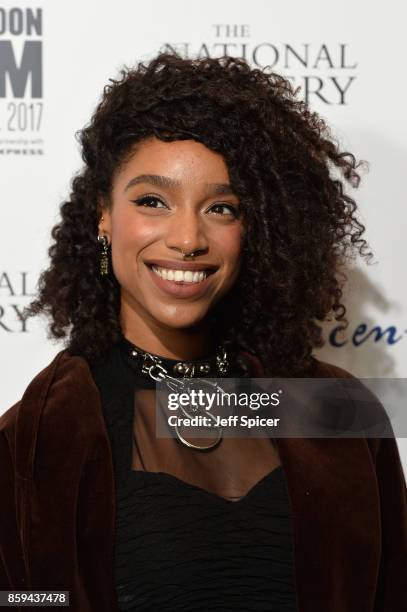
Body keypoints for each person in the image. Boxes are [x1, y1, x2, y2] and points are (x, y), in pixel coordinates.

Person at [0, 52, 406, 612]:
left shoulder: (337, 411)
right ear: (103, 215)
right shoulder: (36, 438)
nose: (187, 237)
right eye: (152, 201)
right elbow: (25, 600)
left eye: (222, 207)